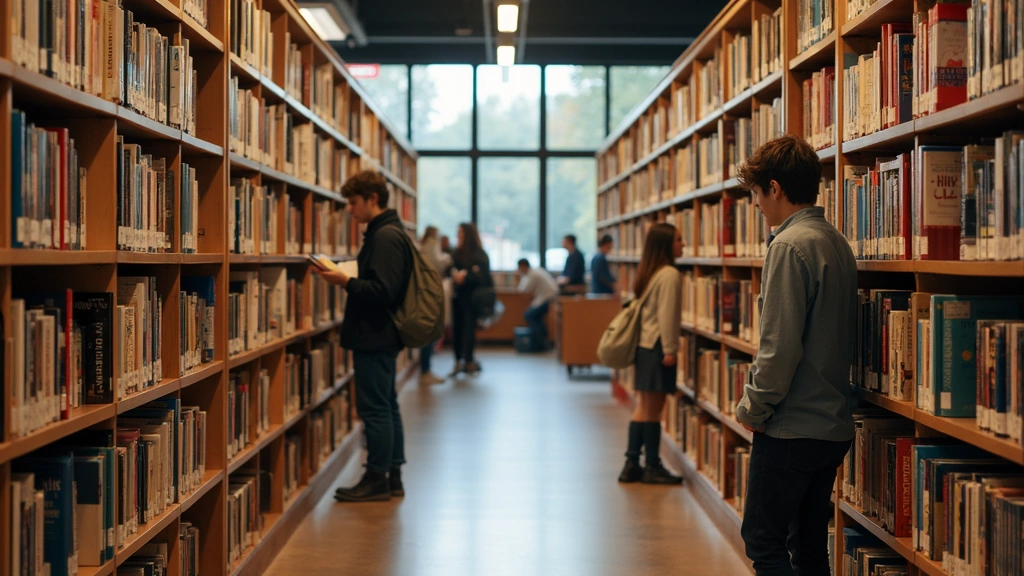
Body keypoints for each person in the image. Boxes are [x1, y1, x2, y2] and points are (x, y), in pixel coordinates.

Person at [733, 134, 858, 576]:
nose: (756, 206)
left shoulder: (788, 246)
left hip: (791, 427)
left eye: (755, 194)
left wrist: (753, 406)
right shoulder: (835, 241)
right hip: (831, 425)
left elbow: (779, 348)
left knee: (763, 542)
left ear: (775, 188)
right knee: (807, 546)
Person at [316, 170, 412, 503]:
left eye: (354, 202)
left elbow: (383, 290)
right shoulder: (387, 231)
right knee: (387, 405)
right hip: (381, 334)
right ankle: (392, 476)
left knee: (375, 409)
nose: (349, 210)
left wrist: (344, 280)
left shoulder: (385, 236)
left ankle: (377, 477)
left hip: (375, 333)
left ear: (373, 199)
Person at [618, 222, 684, 485]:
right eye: (679, 240)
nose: (683, 244)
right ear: (666, 245)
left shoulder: (650, 272)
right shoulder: (669, 274)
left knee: (643, 407)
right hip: (658, 348)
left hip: (644, 347)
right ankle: (653, 466)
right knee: (654, 409)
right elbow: (667, 316)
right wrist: (670, 349)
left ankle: (632, 463)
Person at [449, 223, 492, 377]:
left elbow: (485, 277)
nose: (458, 236)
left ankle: (468, 360)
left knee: (469, 329)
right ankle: (458, 360)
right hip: (457, 297)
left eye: (461, 233)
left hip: (473, 299)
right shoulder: (456, 253)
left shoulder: (480, 254)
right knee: (457, 329)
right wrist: (456, 275)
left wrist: (466, 277)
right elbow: (449, 269)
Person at [417, 226, 452, 385]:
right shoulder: (431, 245)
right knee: (429, 332)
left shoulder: (423, 245)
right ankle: (426, 370)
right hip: (429, 293)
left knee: (427, 332)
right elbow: (437, 264)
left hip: (424, 292)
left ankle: (426, 369)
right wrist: (448, 258)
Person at [516, 258, 559, 346]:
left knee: (529, 315)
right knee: (532, 315)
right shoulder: (535, 271)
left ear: (523, 267)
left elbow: (523, 289)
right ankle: (541, 340)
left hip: (548, 299)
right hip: (548, 297)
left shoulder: (533, 275)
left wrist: (518, 277)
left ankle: (541, 340)